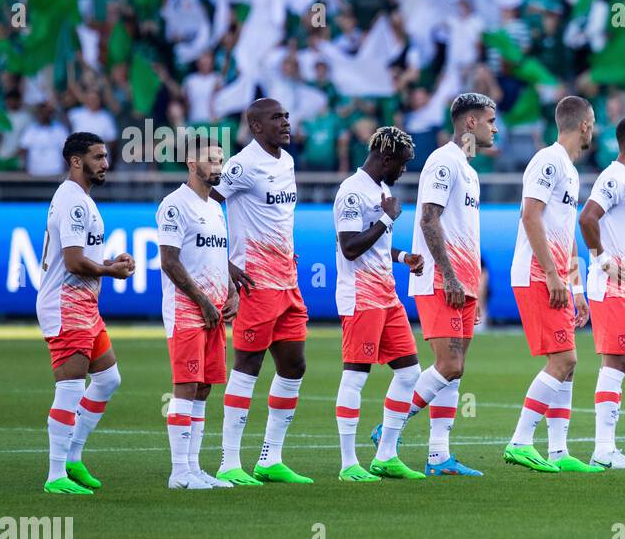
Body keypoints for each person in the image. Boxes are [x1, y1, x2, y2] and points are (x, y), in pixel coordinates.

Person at [213, 98, 313, 486]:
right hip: (254, 282)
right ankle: (229, 461)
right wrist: (223, 262)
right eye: (276, 118)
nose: (286, 122)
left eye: (287, 116)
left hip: (288, 281)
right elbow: (203, 205)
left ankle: (271, 457)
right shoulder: (242, 165)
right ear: (255, 127)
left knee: (294, 366)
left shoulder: (286, 162)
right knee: (248, 366)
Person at [504, 97, 600, 474]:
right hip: (537, 273)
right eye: (593, 122)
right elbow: (530, 215)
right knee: (564, 360)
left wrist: (577, 288)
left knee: (568, 365)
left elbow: (566, 232)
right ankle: (520, 442)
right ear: (585, 126)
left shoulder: (571, 171)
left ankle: (559, 451)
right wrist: (550, 273)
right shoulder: (548, 160)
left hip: (557, 278)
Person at [405, 93, 497, 475]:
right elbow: (429, 219)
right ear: (471, 123)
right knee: (449, 364)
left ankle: (439, 455)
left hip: (462, 283)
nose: (495, 128)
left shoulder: (469, 169)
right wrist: (450, 275)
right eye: (490, 120)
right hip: (444, 281)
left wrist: (468, 282)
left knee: (456, 371)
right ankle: (391, 423)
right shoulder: (444, 160)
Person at [36, 133, 131, 494]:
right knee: (70, 387)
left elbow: (79, 257)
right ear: (76, 161)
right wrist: (111, 271)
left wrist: (110, 263)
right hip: (65, 302)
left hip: (84, 303)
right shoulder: (73, 202)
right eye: (98, 157)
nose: (105, 163)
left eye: (105, 157)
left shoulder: (82, 200)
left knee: (108, 380)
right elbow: (74, 263)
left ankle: (73, 458)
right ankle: (55, 474)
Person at [332, 127, 428, 483]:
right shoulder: (352, 192)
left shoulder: (382, 190)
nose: (403, 171)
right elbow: (350, 246)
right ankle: (348, 464)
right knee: (356, 376)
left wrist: (403, 256)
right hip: (361, 296)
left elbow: (375, 244)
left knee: (409, 373)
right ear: (385, 159)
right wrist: (388, 218)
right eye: (401, 164)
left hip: (387, 295)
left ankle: (386, 456)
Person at [156, 141, 237, 489]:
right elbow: (169, 260)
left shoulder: (216, 208)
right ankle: (178, 472)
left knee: (204, 388)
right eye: (210, 160)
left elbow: (218, 258)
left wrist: (231, 292)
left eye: (221, 160)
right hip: (188, 310)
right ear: (192, 163)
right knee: (185, 386)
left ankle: (193, 467)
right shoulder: (175, 205)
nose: (218, 166)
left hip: (214, 311)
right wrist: (202, 300)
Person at [579, 116, 625, 470]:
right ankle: (604, 449)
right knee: (614, 360)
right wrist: (603, 261)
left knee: (620, 360)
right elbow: (586, 218)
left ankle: (606, 447)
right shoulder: (613, 178)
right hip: (611, 286)